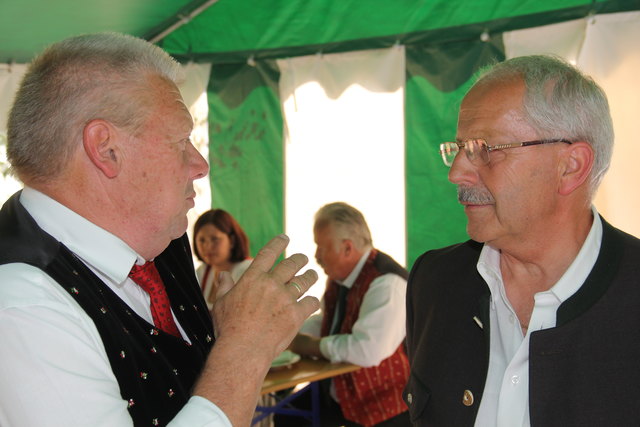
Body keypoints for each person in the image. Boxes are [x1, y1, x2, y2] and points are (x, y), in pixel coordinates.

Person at [0, 32, 319, 427]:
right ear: (106, 149)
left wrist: (227, 337)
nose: (200, 165)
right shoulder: (22, 305)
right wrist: (244, 349)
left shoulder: (159, 241)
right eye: (181, 140)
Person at [404, 54, 640, 426]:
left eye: (485, 150)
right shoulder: (435, 281)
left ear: (571, 167)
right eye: (459, 149)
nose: (457, 173)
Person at [277, 202, 410, 427]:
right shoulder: (341, 277)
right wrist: (287, 332)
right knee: (287, 416)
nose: (317, 256)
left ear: (347, 248)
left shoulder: (387, 283)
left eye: (321, 247)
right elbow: (327, 322)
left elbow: (366, 350)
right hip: (341, 390)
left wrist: (308, 345)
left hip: (381, 403)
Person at [193, 209, 253, 308]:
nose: (208, 247)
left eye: (214, 239)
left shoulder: (248, 271)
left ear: (232, 240)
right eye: (202, 240)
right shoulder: (202, 272)